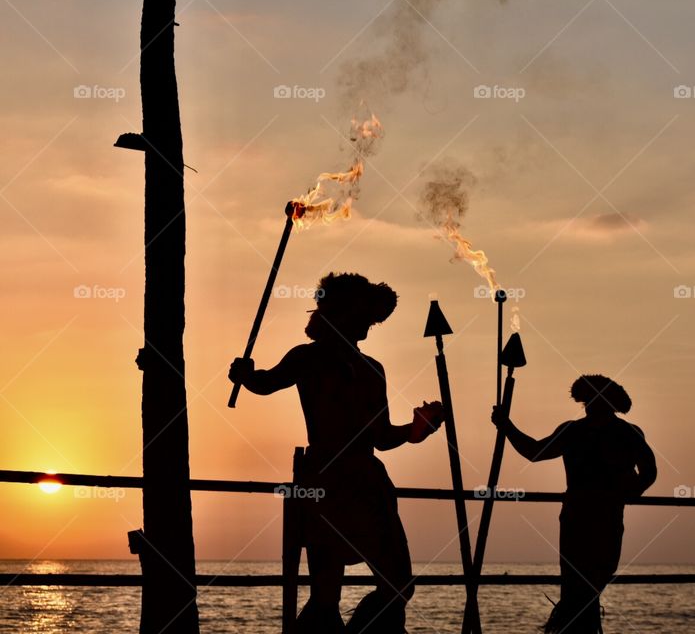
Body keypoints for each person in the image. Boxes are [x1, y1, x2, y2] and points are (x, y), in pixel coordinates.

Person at [229, 272, 443, 633]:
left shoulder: (374, 370)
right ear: (340, 313)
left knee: (399, 585)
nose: (368, 326)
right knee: (325, 600)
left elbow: (381, 437)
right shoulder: (307, 359)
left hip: (370, 485)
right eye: (362, 317)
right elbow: (265, 383)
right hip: (325, 485)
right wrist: (245, 374)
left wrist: (414, 429)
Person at [492, 374, 656, 634]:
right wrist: (628, 491)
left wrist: (507, 426)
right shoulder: (625, 433)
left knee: (579, 587)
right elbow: (649, 473)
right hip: (600, 517)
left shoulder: (579, 432)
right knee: (586, 586)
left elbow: (534, 452)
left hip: (582, 516)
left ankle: (568, 628)